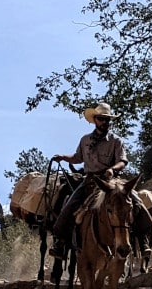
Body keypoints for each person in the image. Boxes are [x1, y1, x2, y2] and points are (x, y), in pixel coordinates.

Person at [50, 102, 128, 253]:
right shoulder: (85, 140)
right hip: (90, 181)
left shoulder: (116, 141)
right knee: (68, 207)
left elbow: (123, 161)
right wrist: (63, 157)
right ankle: (60, 243)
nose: (105, 122)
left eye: (107, 119)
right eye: (102, 119)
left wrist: (112, 169)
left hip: (111, 182)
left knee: (135, 203)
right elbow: (78, 157)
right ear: (95, 120)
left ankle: (143, 240)